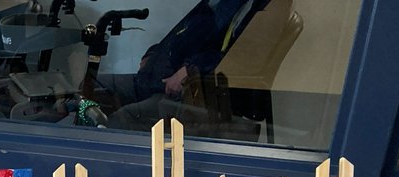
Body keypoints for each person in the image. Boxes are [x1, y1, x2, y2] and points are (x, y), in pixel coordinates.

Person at [99, 0, 271, 130]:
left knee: (123, 118)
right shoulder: (217, 4)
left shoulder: (255, 10)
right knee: (94, 85)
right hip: (152, 77)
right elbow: (183, 35)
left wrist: (190, 69)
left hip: (180, 94)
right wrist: (153, 53)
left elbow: (236, 57)